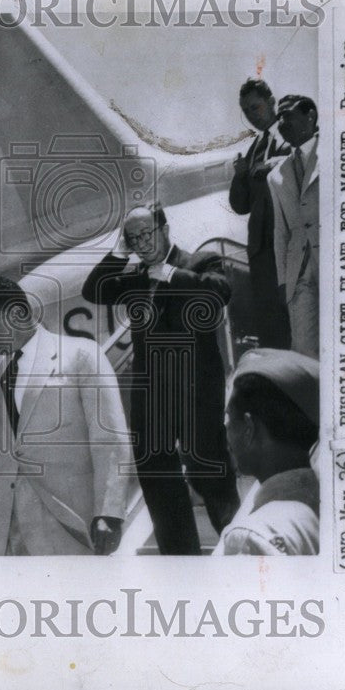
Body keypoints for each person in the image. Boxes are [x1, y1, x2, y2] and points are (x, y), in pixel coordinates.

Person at [0, 277, 133, 557]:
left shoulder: (82, 356)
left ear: (17, 315)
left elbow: (110, 440)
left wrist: (109, 512)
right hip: (7, 531)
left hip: (70, 525)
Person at [81, 202, 241, 555]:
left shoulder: (201, 262)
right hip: (152, 395)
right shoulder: (135, 277)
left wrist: (170, 275)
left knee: (209, 473)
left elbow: (219, 293)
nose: (141, 243)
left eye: (146, 234)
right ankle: (180, 559)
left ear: (165, 229)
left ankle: (239, 551)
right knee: (156, 476)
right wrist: (117, 253)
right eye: (133, 238)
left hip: (196, 391)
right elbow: (93, 291)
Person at [217, 348, 319, 555]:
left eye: (229, 417)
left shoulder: (252, 537)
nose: (225, 427)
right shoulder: (330, 500)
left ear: (248, 428)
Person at [228, 79, 292, 350]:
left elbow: (304, 160)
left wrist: (272, 165)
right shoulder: (255, 146)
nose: (252, 116)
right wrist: (240, 176)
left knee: (292, 316)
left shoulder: (291, 132)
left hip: (286, 244)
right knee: (269, 324)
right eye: (246, 111)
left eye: (256, 107)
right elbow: (240, 205)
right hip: (261, 251)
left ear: (272, 102)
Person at [267, 95, 320, 359]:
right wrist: (282, 279)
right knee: (303, 350)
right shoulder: (276, 175)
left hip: (338, 261)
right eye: (279, 118)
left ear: (310, 115)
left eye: (288, 115)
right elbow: (281, 231)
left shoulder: (337, 154)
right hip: (299, 272)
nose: (282, 123)